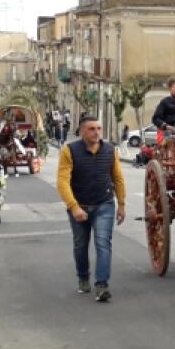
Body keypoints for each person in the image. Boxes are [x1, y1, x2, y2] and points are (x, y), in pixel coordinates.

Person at [56, 114, 126, 302]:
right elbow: (62, 181)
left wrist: (122, 204)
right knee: (81, 245)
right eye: (91, 129)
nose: (96, 132)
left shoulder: (110, 150)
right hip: (79, 205)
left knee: (103, 243)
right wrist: (74, 207)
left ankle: (102, 285)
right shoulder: (69, 151)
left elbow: (117, 178)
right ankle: (83, 277)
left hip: (104, 204)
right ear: (82, 131)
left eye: (98, 129)